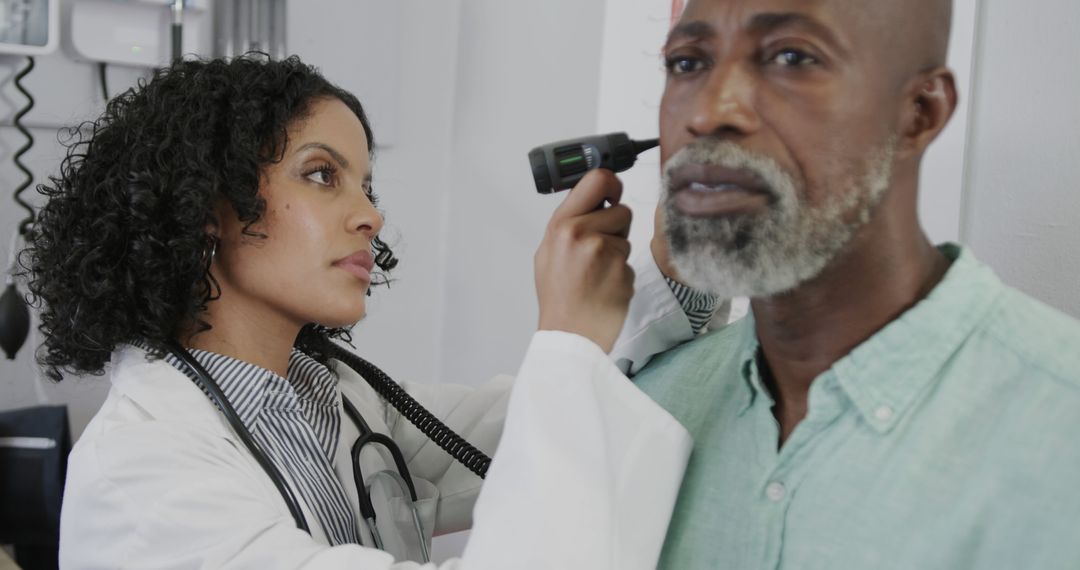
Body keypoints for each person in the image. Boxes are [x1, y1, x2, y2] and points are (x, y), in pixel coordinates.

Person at [23, 55, 691, 569]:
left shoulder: (336, 399)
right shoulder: (143, 475)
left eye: (366, 186)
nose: (371, 216)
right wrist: (567, 338)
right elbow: (563, 412)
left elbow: (548, 421)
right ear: (205, 211)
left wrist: (679, 269)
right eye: (322, 175)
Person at [615, 0, 1080, 568]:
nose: (709, 113)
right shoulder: (647, 414)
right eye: (687, 64)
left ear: (919, 111)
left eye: (791, 56)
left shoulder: (1062, 427)